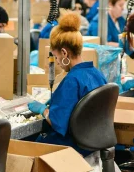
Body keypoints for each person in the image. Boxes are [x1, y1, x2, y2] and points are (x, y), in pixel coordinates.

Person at [27, 13, 107, 156]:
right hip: (94, 142)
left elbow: (57, 122)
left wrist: (43, 110)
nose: (56, 62)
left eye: (56, 56)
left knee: (26, 146)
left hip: (73, 145)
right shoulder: (97, 73)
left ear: (64, 53)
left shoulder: (72, 80)